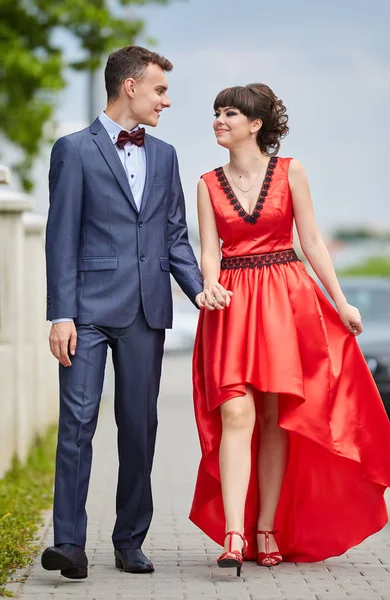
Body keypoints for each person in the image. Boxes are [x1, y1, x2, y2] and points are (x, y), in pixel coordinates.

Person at [190, 83, 390, 576]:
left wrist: (341, 302)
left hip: (286, 299)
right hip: (233, 304)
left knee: (272, 418)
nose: (219, 120)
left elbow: (312, 241)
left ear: (255, 124)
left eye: (229, 113)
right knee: (235, 415)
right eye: (216, 113)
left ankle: (266, 528)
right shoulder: (205, 183)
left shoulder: (291, 172)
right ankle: (234, 534)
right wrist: (208, 284)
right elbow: (208, 251)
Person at [42, 45, 203, 579]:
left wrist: (200, 291)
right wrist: (60, 313)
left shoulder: (166, 156)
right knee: (78, 424)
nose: (167, 100)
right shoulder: (73, 149)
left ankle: (130, 538)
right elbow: (60, 236)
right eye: (159, 89)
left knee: (139, 427)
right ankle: (68, 544)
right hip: (85, 310)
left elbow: (175, 235)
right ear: (129, 86)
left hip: (145, 309)